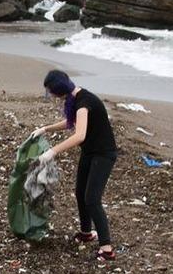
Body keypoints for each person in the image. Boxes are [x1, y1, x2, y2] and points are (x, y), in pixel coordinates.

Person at [32, 70, 119, 261]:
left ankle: (106, 248)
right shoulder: (75, 98)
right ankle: (86, 233)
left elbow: (79, 135)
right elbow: (71, 122)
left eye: (51, 92)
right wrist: (45, 129)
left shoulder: (84, 102)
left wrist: (52, 151)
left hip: (104, 154)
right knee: (80, 193)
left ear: (59, 89)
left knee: (92, 199)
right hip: (89, 152)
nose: (50, 95)